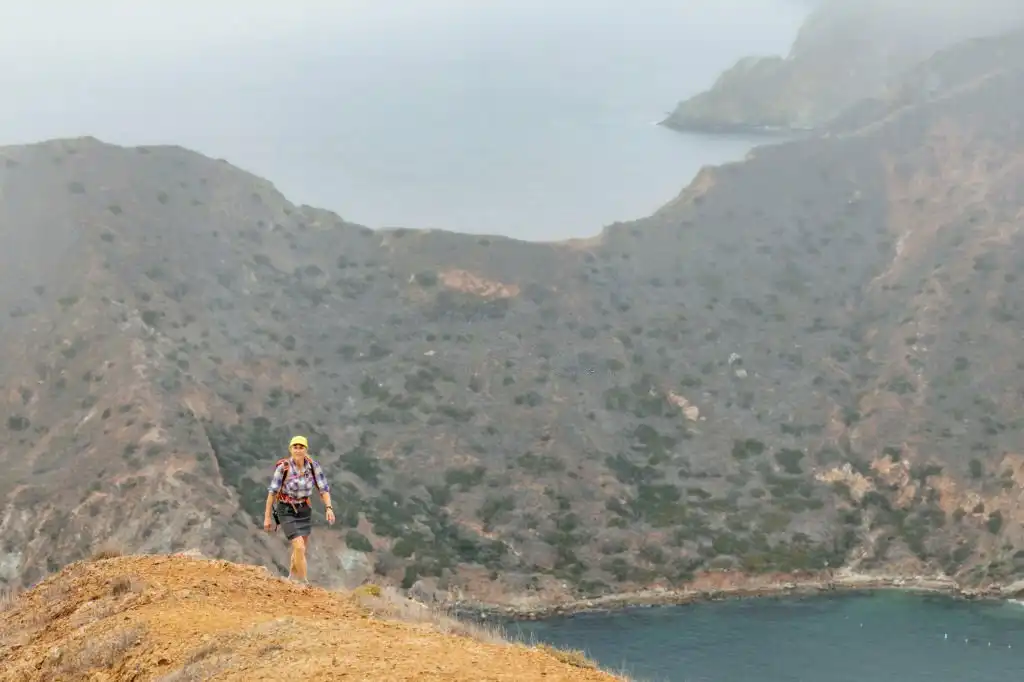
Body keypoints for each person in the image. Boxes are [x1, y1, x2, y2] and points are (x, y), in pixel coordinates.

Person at [264, 435, 335, 584]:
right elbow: (272, 493)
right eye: (295, 447)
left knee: (300, 548)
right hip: (286, 509)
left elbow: (323, 489)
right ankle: (304, 582)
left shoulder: (313, 467)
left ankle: (291, 578)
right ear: (290, 449)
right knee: (299, 546)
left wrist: (329, 508)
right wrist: (267, 517)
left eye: (301, 447)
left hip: (303, 509)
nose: (298, 450)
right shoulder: (283, 468)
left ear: (306, 449)